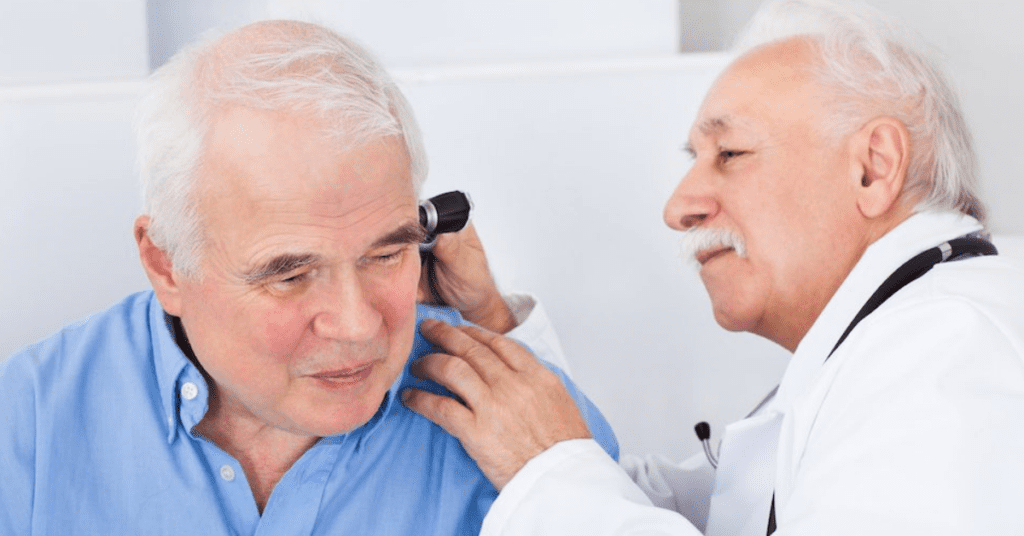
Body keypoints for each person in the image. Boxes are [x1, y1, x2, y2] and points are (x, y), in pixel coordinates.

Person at [401, 0, 1024, 534]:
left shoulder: (947, 356)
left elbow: (583, 491)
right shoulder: (898, 350)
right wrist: (488, 321)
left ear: (873, 166)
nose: (678, 208)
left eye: (730, 152)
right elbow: (683, 511)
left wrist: (549, 468)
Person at [0, 20, 618, 534]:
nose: (355, 326)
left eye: (385, 255)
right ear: (166, 263)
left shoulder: (536, 444)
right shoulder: (27, 423)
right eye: (290, 275)